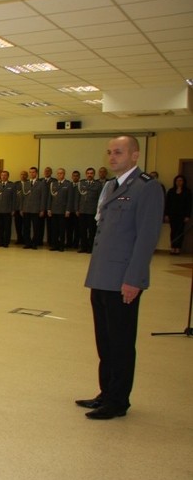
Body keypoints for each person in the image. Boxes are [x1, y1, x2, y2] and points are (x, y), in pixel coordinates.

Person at [78, 136, 163, 420]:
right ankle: (106, 393)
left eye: (118, 152)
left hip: (122, 280)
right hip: (101, 276)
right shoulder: (110, 186)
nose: (112, 157)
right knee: (105, 341)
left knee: (121, 342)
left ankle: (118, 401)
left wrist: (134, 280)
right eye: (109, 152)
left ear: (135, 155)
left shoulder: (146, 188)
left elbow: (147, 238)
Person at [75, 167, 102, 253]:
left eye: (91, 173)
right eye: (88, 173)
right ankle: (83, 247)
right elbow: (77, 198)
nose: (89, 175)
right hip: (82, 210)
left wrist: (98, 211)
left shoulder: (98, 185)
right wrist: (77, 209)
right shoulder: (81, 184)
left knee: (92, 231)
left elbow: (100, 199)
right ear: (86, 174)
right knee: (82, 230)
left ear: (94, 174)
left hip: (92, 211)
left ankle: (90, 248)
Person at [19, 167, 47, 250]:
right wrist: (21, 208)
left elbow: (43, 198)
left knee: (36, 227)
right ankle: (27, 243)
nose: (32, 174)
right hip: (26, 209)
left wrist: (42, 209)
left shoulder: (41, 184)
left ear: (36, 173)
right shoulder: (25, 183)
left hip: (36, 209)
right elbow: (22, 197)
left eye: (33, 172)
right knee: (26, 227)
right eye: (30, 172)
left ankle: (35, 243)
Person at [46, 168, 73, 252]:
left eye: (61, 173)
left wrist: (68, 210)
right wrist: (49, 209)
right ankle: (54, 245)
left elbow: (69, 199)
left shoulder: (68, 184)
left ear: (64, 174)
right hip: (54, 210)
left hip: (63, 211)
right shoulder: (53, 184)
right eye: (58, 173)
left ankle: (61, 245)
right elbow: (50, 198)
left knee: (62, 229)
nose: (59, 175)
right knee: (54, 229)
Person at [164, 175, 191, 255]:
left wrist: (187, 215)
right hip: (172, 214)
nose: (179, 182)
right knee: (173, 231)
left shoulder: (187, 192)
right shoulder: (171, 191)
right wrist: (166, 214)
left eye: (180, 180)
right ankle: (172, 247)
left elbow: (189, 204)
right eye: (177, 181)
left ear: (183, 182)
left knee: (180, 231)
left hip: (182, 215)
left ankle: (178, 248)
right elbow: (167, 204)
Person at [0, 170, 16, 247]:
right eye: (2, 175)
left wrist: (13, 209)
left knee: (7, 227)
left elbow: (14, 199)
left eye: (5, 175)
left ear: (8, 176)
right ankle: (0, 242)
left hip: (8, 210)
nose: (3, 176)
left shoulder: (12, 185)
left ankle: (6, 243)